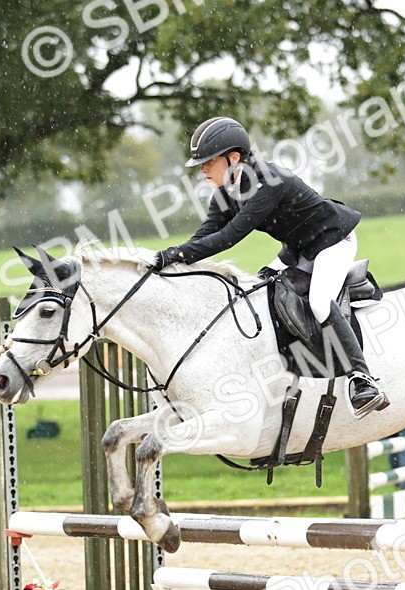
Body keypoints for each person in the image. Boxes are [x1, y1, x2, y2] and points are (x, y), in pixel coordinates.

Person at [151, 117, 389, 418]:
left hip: (333, 240)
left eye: (208, 162)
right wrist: (172, 258)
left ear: (233, 158)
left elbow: (228, 237)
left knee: (318, 302)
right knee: (259, 288)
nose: (202, 170)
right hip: (299, 249)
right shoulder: (225, 192)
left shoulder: (265, 181)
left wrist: (177, 253)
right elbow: (205, 234)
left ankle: (362, 378)